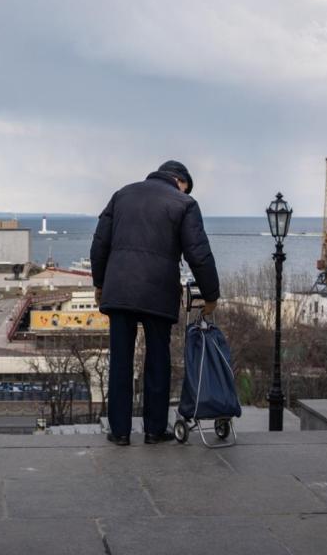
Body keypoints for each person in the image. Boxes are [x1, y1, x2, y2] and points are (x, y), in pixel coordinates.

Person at [90, 160, 219, 445]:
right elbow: (198, 253)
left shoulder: (122, 194)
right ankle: (154, 429)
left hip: (120, 290)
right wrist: (211, 294)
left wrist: (99, 283)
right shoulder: (184, 203)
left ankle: (120, 432)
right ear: (181, 182)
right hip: (158, 293)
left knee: (120, 361)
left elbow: (99, 244)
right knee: (157, 361)